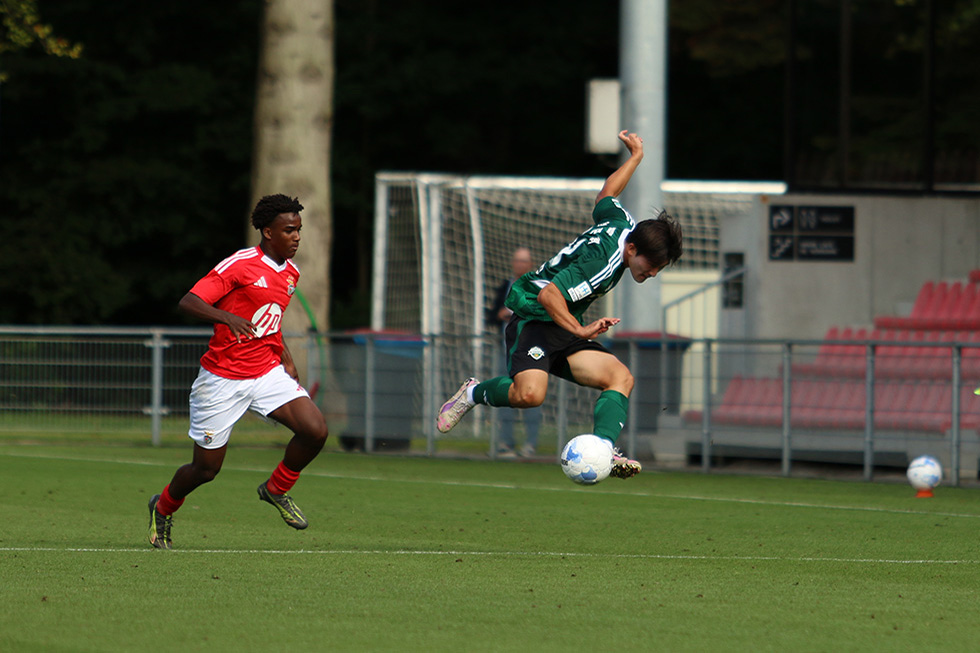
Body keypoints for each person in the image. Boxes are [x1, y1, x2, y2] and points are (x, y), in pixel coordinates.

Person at [436, 130, 682, 479]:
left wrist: (636, 158)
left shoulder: (623, 225)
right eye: (652, 265)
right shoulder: (604, 263)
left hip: (562, 320)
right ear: (632, 251)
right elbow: (548, 294)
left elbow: (607, 193)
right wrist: (581, 329)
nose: (653, 272)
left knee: (620, 377)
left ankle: (603, 450)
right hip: (534, 317)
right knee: (530, 396)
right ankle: (473, 393)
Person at [147, 194, 329, 549]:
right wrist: (226, 316)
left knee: (315, 430)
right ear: (267, 231)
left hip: (265, 371)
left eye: (299, 230)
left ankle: (276, 488)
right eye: (289, 230)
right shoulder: (240, 264)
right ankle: (163, 507)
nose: (296, 237)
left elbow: (269, 321)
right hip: (221, 379)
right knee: (206, 470)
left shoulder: (291, 273)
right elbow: (190, 301)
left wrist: (285, 356)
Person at [487, 247, 543, 457]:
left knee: (531, 396)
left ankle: (530, 444)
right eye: (517, 261)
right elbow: (491, 315)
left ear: (530, 264)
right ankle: (506, 442)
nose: (520, 265)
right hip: (506, 353)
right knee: (505, 396)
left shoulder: (537, 286)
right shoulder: (505, 287)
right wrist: (499, 314)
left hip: (530, 353)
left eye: (524, 261)